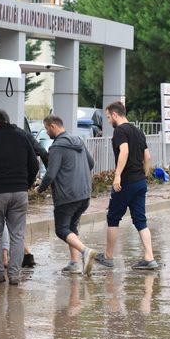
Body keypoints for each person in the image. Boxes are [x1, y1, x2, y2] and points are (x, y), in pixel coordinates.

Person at [95, 101, 159, 270]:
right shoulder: (138, 131)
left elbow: (124, 151)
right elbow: (148, 157)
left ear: (115, 115)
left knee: (113, 217)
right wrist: (143, 176)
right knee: (140, 219)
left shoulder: (120, 131)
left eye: (109, 117)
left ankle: (108, 256)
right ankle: (149, 257)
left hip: (125, 183)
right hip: (139, 182)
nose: (109, 121)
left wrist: (117, 176)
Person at [0, 109, 39, 285]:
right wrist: (25, 184)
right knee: (17, 235)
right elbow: (34, 164)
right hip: (19, 193)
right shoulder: (22, 136)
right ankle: (14, 275)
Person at [37, 115, 97, 275]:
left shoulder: (57, 147)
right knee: (71, 227)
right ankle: (73, 263)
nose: (46, 131)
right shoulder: (78, 141)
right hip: (84, 194)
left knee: (61, 229)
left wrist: (39, 189)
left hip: (67, 195)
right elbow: (91, 163)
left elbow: (50, 174)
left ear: (53, 126)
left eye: (46, 128)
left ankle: (85, 251)